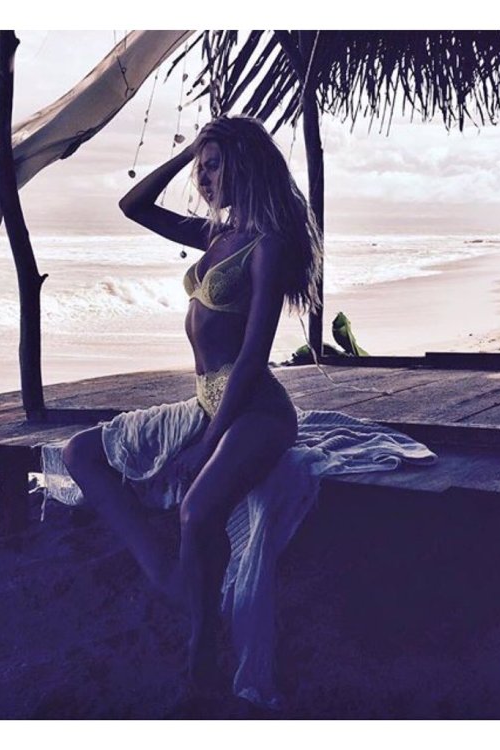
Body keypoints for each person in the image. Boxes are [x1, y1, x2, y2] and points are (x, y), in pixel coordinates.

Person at [52, 115, 435, 707]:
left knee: (197, 509)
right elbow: (133, 205)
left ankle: (201, 648)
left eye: (214, 167)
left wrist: (208, 445)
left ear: (245, 166)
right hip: (208, 402)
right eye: (200, 169)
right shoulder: (216, 234)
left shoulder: (267, 244)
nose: (203, 179)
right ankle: (171, 579)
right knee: (80, 453)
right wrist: (190, 153)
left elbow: (254, 357)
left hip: (256, 410)